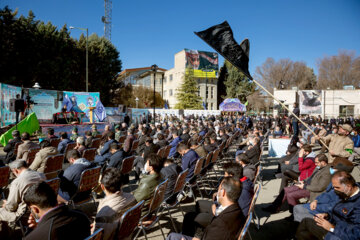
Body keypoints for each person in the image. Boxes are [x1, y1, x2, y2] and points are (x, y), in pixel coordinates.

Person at [167, 177, 245, 240]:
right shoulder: (237, 210)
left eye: (219, 189)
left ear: (223, 192)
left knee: (172, 236)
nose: (217, 192)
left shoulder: (221, 222)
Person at [295, 171, 360, 240]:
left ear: (349, 187)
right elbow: (338, 212)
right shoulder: (344, 192)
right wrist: (327, 215)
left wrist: (331, 228)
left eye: (337, 187)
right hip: (333, 225)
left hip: (339, 234)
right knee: (304, 226)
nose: (335, 190)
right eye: (333, 187)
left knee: (305, 226)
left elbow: (356, 234)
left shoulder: (357, 205)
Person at [263, 154, 331, 218]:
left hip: (312, 190)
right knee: (286, 190)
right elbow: (310, 177)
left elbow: (320, 187)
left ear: (323, 162)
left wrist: (304, 186)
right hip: (306, 185)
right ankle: (274, 208)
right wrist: (303, 181)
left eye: (317, 162)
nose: (315, 164)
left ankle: (294, 214)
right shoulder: (318, 167)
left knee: (290, 195)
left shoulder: (327, 172)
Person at [293, 157, 354, 223]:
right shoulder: (336, 179)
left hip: (326, 211)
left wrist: (319, 207)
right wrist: (316, 200)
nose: (331, 169)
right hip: (321, 204)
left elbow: (335, 205)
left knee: (298, 209)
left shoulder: (344, 186)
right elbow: (327, 194)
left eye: (334, 168)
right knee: (297, 208)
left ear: (342, 172)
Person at [23, 182, 91, 240]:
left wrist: (34, 231)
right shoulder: (81, 216)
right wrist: (40, 226)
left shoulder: (35, 236)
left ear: (35, 209)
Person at [94, 168, 136, 240]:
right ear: (121, 184)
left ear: (102, 186)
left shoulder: (104, 213)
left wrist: (95, 228)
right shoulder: (131, 197)